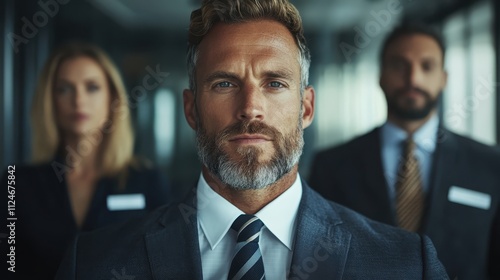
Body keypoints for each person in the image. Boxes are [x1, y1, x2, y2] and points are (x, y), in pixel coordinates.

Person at [55, 2, 448, 279]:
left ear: (306, 108)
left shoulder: (406, 265)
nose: (250, 108)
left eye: (274, 83)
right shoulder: (93, 263)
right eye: (224, 83)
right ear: (191, 109)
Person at [309, 23, 500, 279]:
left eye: (427, 66)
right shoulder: (331, 166)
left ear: (443, 78)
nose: (413, 78)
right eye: (400, 65)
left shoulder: (489, 165)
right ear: (381, 75)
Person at [0, 43, 170, 280]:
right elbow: (7, 266)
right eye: (64, 89)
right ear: (50, 100)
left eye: (92, 87)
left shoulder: (147, 180)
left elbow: (164, 264)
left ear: (112, 98)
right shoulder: (16, 182)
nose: (79, 99)